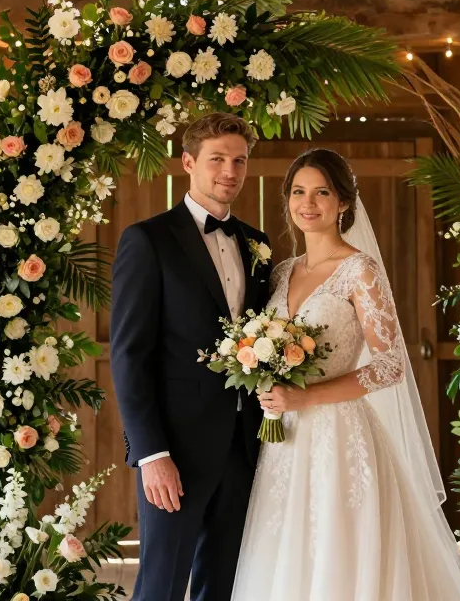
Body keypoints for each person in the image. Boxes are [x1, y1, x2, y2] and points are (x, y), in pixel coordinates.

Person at [231, 148, 460, 601]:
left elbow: (390, 365)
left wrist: (305, 397)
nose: (308, 203)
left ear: (344, 202)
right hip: (284, 440)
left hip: (338, 437)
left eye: (322, 192)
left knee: (340, 552)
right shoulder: (282, 272)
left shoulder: (359, 270)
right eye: (298, 191)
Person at [110, 113, 273, 601]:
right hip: (173, 452)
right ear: (188, 162)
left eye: (239, 161)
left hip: (244, 449)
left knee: (221, 585)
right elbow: (128, 355)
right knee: (160, 585)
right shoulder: (148, 240)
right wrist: (151, 453)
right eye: (217, 159)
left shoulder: (257, 244)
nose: (230, 171)